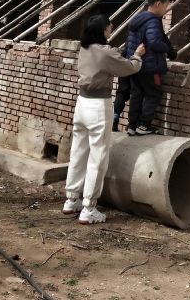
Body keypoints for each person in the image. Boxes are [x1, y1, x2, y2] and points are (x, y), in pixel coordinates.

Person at [63, 14, 146, 224]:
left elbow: (107, 58)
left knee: (79, 152)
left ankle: (71, 199)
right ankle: (89, 207)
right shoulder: (105, 52)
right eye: (109, 27)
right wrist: (137, 55)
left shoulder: (85, 48)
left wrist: (118, 52)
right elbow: (129, 68)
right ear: (102, 30)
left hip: (81, 104)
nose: (111, 29)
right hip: (98, 106)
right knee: (98, 157)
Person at [124, 0, 177, 136]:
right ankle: (144, 125)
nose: (166, 10)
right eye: (166, 6)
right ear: (159, 3)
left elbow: (129, 43)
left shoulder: (137, 19)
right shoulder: (153, 20)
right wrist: (167, 48)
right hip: (150, 66)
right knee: (154, 94)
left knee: (137, 94)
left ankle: (132, 125)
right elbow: (154, 42)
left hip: (136, 64)